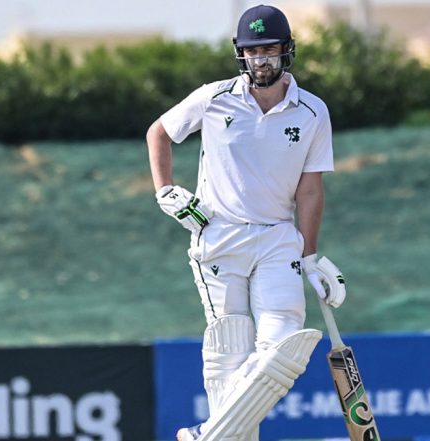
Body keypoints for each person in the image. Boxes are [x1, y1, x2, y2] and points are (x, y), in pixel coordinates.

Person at [145, 5, 347, 440]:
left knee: (282, 348)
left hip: (278, 238)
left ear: (286, 50)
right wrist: (165, 190)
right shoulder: (214, 98)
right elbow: (159, 132)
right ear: (241, 55)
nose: (261, 59)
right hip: (219, 235)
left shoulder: (312, 112)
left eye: (270, 49)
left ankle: (208, 436)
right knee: (229, 354)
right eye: (252, 51)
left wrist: (309, 256)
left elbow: (310, 191)